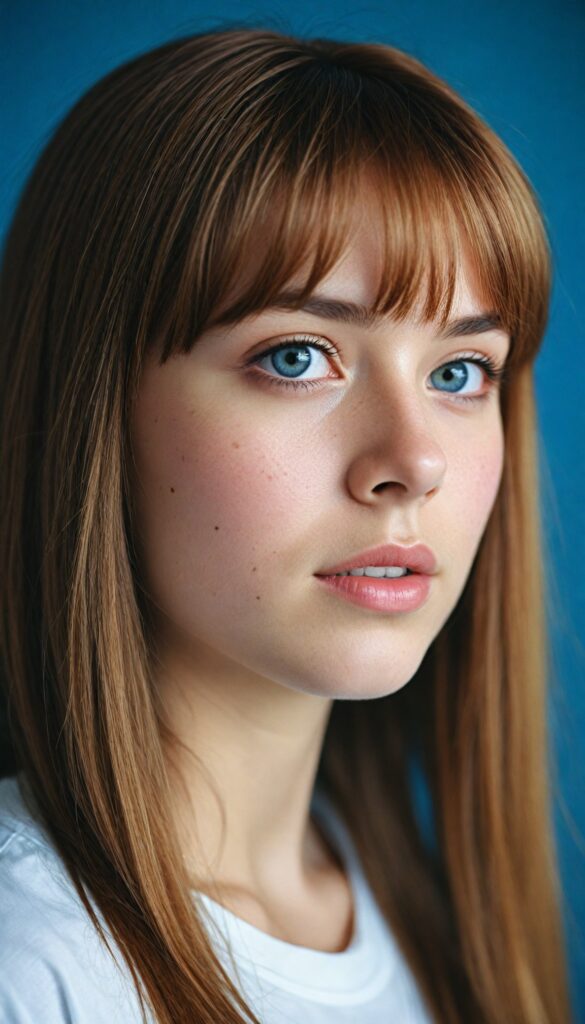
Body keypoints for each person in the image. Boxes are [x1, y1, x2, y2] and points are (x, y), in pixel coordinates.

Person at [0, 25, 573, 1024]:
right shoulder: (33, 969)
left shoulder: (419, 921)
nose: (415, 460)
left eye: (458, 372)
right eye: (299, 356)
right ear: (94, 407)